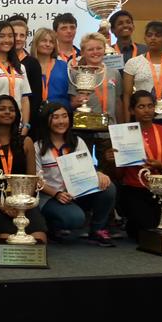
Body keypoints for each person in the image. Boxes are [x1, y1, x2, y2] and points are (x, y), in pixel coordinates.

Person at [35, 103, 116, 246]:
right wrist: (56, 194)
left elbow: (88, 169)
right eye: (55, 117)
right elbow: (36, 180)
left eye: (65, 116)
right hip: (50, 197)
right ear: (46, 120)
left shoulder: (77, 142)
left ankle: (97, 230)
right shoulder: (38, 146)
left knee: (108, 188)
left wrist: (99, 174)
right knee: (75, 219)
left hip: (77, 192)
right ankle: (52, 226)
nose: (61, 121)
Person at [0, 95, 48, 243]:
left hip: (23, 197)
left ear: (16, 115)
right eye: (2, 109)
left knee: (39, 240)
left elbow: (31, 179)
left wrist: (22, 205)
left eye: (11, 110)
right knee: (6, 242)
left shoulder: (26, 142)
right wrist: (3, 206)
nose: (7, 112)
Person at [116, 91, 162, 239]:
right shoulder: (123, 135)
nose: (147, 110)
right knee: (148, 231)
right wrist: (114, 160)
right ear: (131, 110)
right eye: (141, 106)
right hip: (134, 190)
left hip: (161, 190)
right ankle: (131, 222)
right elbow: (118, 176)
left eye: (150, 106)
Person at [69, 32, 123, 178]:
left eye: (99, 48)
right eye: (90, 49)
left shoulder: (114, 73)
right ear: (83, 52)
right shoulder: (76, 73)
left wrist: (120, 127)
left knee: (109, 170)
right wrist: (79, 101)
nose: (95, 52)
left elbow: (118, 101)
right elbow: (72, 102)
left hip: (108, 129)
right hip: (83, 127)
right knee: (82, 170)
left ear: (104, 50)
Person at [8, 16, 43, 131]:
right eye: (14, 35)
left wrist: (26, 126)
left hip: (25, 125)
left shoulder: (32, 63)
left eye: (22, 35)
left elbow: (35, 99)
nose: (18, 38)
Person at [30, 27, 70, 111]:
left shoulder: (64, 66)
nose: (48, 44)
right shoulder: (27, 66)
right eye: (44, 41)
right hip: (35, 113)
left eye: (51, 42)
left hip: (61, 114)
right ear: (36, 43)